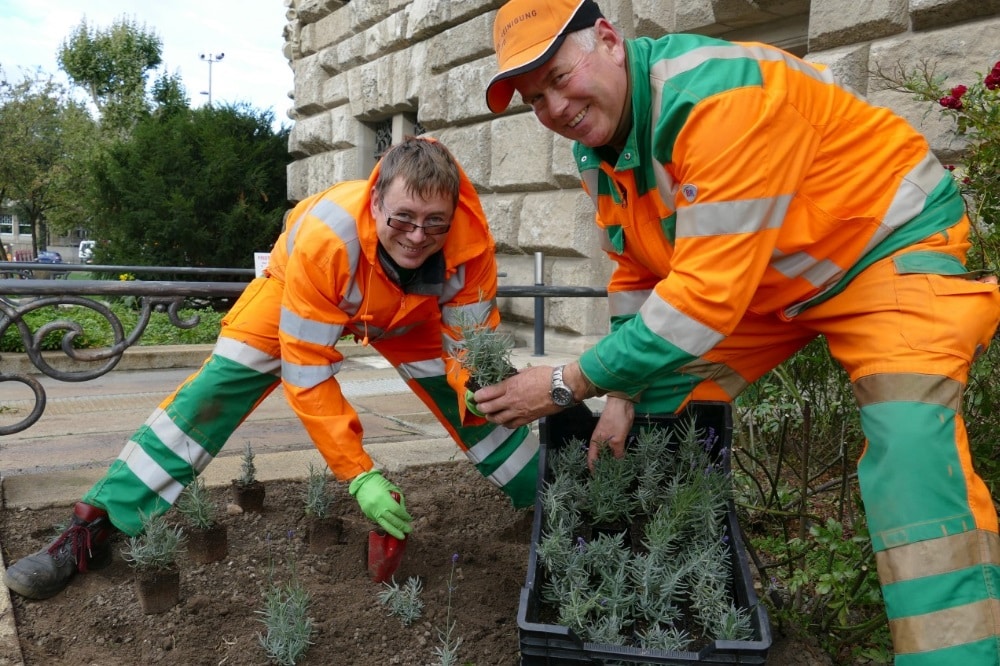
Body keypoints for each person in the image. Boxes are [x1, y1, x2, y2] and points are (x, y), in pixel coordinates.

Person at [475, 0, 1000, 663]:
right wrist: (622, 395)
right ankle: (672, 569)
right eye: (533, 98)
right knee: (664, 402)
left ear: (608, 40)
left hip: (882, 250)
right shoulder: (597, 151)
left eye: (557, 76)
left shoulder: (713, 100)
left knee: (910, 449)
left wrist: (561, 383)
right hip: (773, 283)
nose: (553, 106)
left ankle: (955, 656)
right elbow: (637, 269)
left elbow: (699, 304)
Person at [3, 136, 538, 600]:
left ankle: (552, 498)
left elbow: (471, 346)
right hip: (301, 288)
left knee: (479, 395)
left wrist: (470, 381)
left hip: (408, 313)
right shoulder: (330, 237)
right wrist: (360, 475)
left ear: (453, 217)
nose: (418, 236)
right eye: (402, 218)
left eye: (433, 224)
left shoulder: (469, 246)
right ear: (375, 201)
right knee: (217, 388)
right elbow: (306, 374)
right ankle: (93, 526)